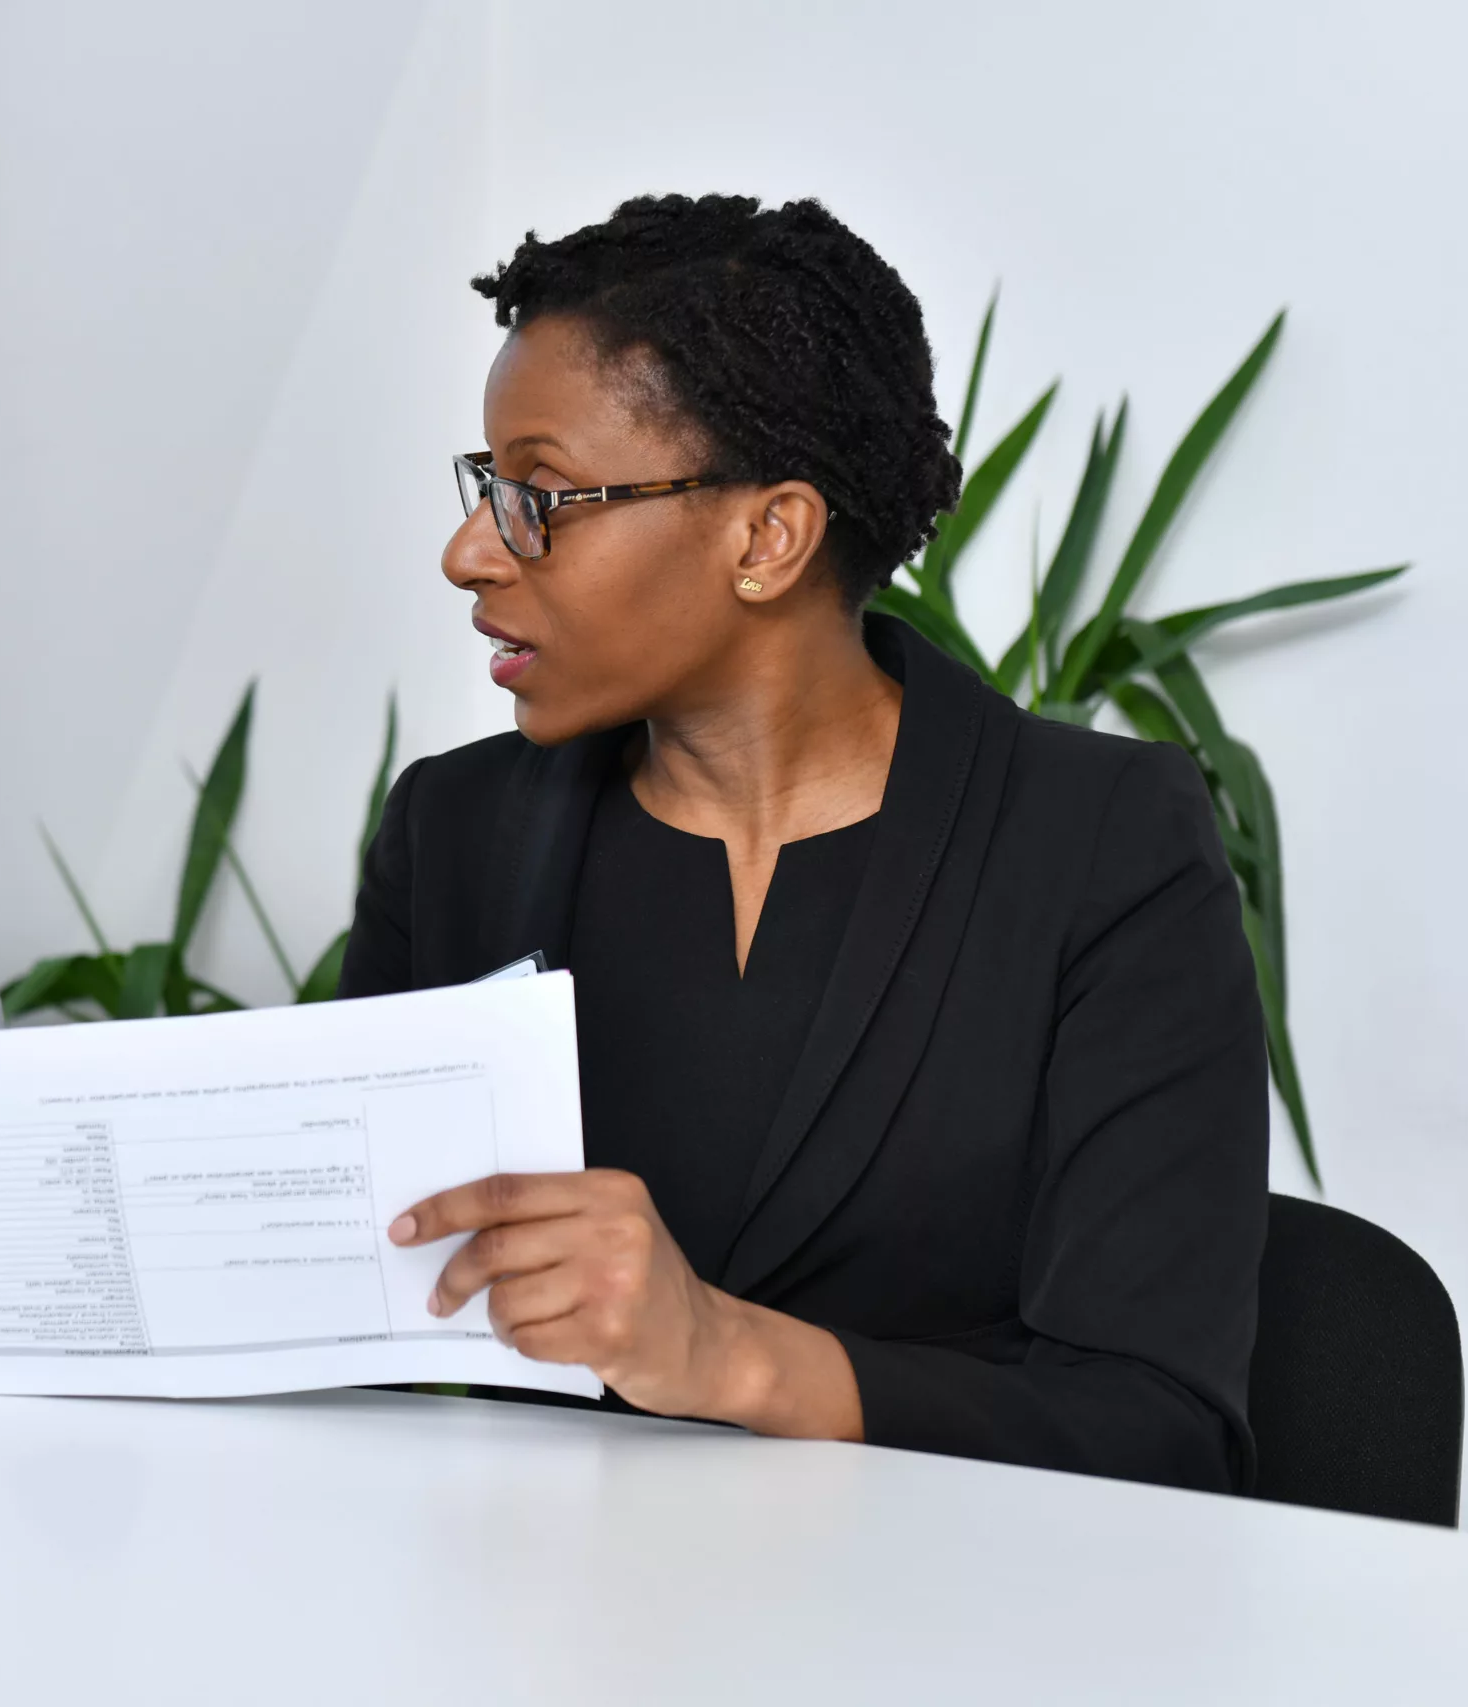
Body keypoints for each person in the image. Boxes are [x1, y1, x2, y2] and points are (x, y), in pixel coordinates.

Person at [348, 195, 1267, 1491]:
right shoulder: (453, 833)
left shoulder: (1106, 848)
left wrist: (732, 1354)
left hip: (960, 1631)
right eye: (484, 489)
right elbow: (343, 1329)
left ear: (767, 535)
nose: (468, 552)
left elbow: (1159, 1423)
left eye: (537, 496)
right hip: (550, 1623)